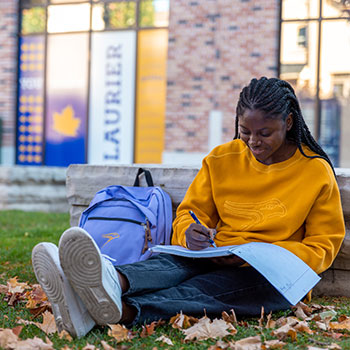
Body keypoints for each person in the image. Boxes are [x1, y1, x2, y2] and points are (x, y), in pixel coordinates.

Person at [32, 77, 345, 338]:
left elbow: (324, 244)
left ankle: (117, 310)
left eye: (265, 134)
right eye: (245, 131)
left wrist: (271, 257)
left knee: (207, 289)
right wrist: (189, 232)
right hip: (215, 254)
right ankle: (108, 280)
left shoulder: (314, 171)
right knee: (172, 266)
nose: (253, 142)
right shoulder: (222, 159)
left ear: (288, 123)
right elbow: (190, 214)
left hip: (272, 277)